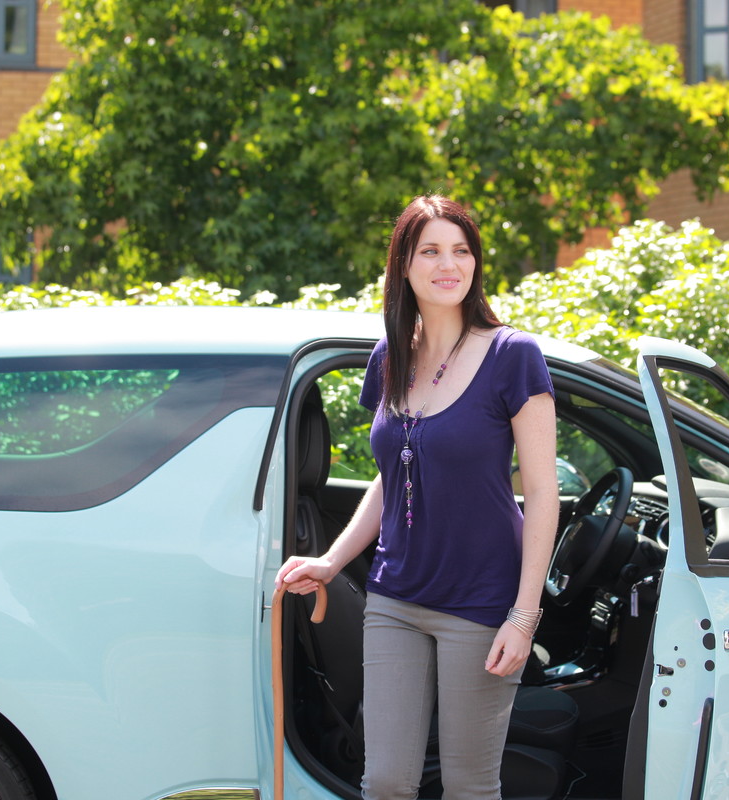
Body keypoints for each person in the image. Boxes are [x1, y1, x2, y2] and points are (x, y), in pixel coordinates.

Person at [276, 195, 559, 799]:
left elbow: (540, 492)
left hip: (481, 604)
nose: (447, 264)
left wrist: (524, 615)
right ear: (403, 265)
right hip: (396, 596)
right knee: (386, 783)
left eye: (461, 250)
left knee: (468, 787)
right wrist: (331, 561)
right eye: (429, 250)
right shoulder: (390, 357)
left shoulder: (513, 356)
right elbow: (393, 473)